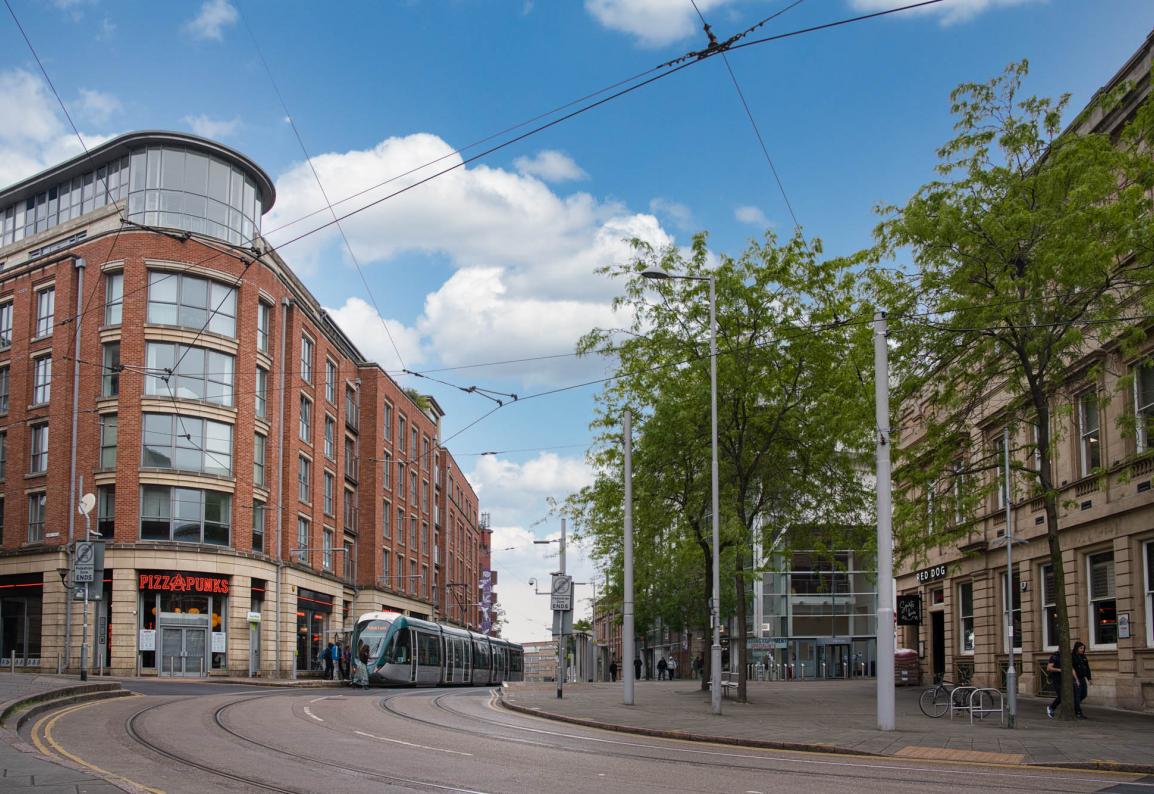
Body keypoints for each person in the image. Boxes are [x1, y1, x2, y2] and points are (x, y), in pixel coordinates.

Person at [1047, 641, 1089, 719]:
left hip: (1066, 679)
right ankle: (1051, 707)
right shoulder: (1055, 656)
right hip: (1057, 679)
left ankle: (1074, 708)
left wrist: (1076, 679)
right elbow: (1049, 668)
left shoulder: (1068, 657)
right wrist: (1059, 670)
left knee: (1068, 695)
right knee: (1062, 696)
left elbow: (1072, 668)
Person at [1072, 641, 1092, 718]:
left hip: (1082, 678)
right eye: (1081, 648)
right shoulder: (1073, 656)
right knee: (1077, 695)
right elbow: (1072, 669)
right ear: (1076, 648)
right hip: (1076, 678)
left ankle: (1075, 705)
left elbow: (1087, 668)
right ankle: (1078, 712)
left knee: (1084, 694)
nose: (1082, 650)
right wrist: (1076, 679)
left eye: (1083, 648)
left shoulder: (1083, 656)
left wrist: (1089, 678)